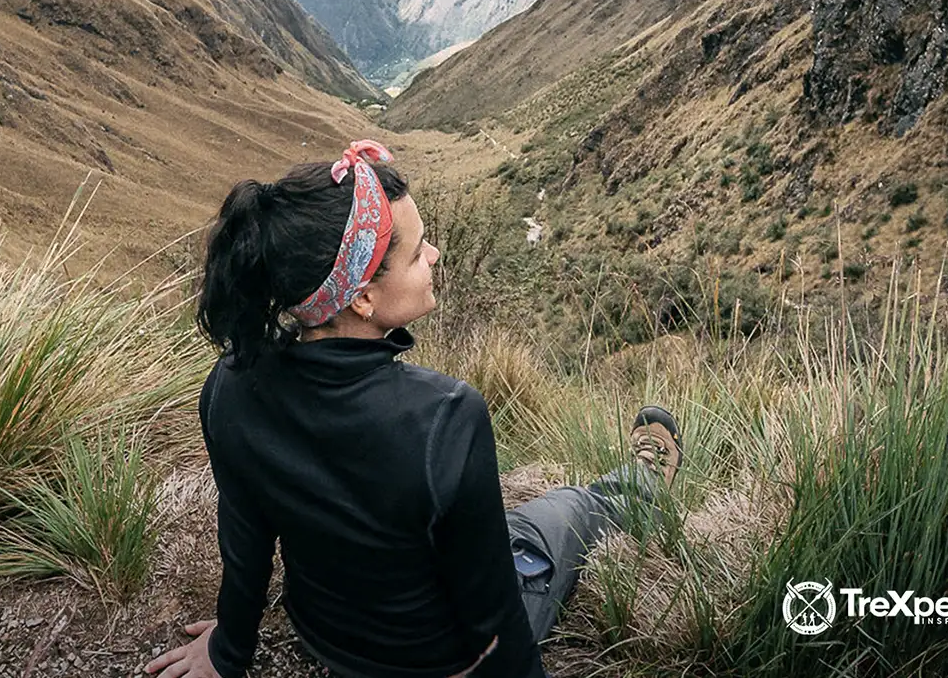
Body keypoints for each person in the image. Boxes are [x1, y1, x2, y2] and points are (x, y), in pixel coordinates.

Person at [145, 140, 684, 678]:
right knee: (567, 510)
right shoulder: (445, 416)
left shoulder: (231, 383)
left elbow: (245, 535)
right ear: (362, 298)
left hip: (324, 634)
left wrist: (229, 646)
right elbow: (495, 618)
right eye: (417, 251)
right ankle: (645, 481)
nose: (435, 255)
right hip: (436, 660)